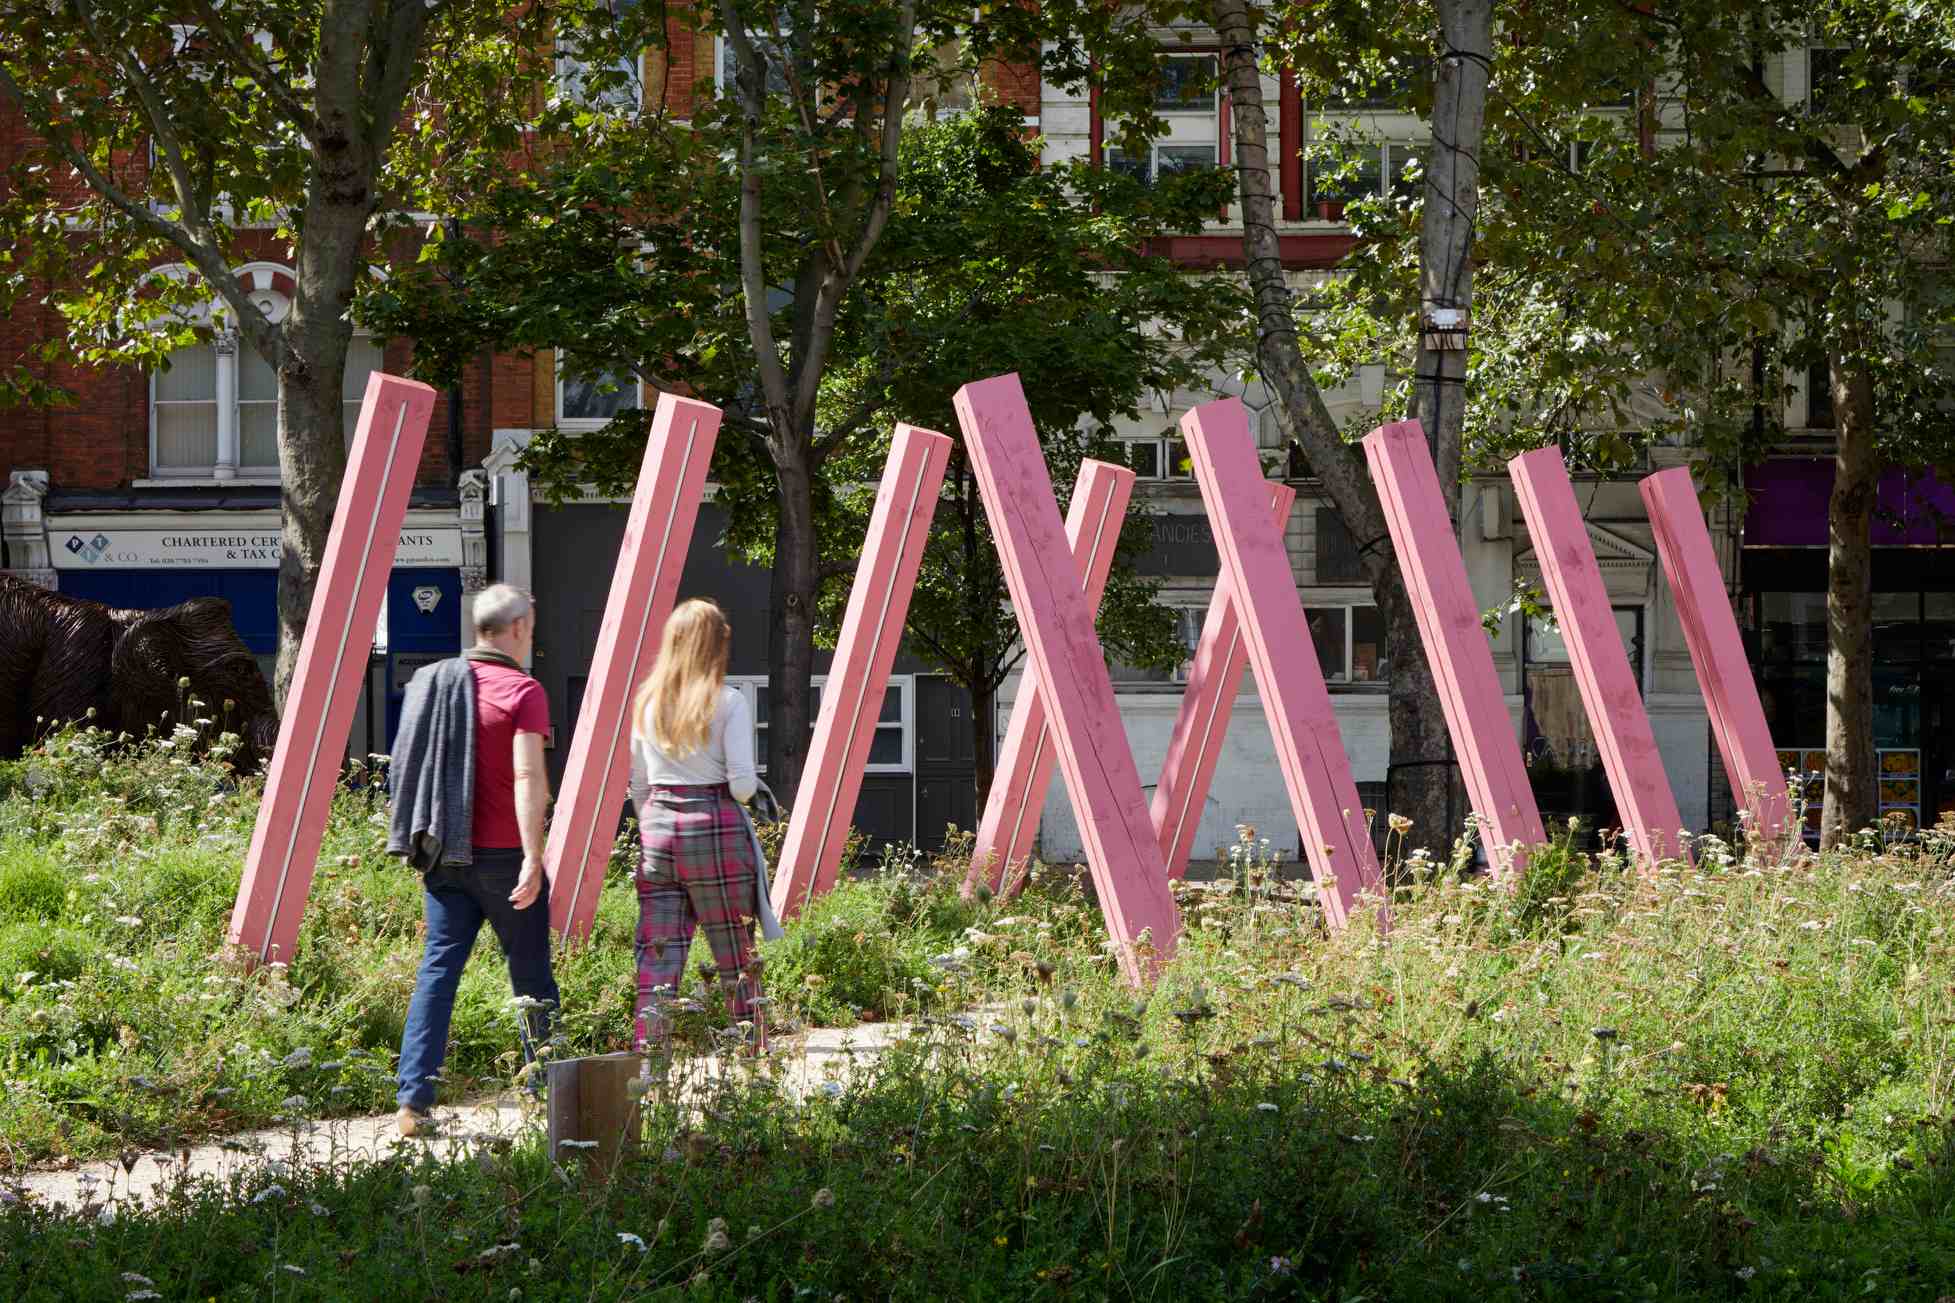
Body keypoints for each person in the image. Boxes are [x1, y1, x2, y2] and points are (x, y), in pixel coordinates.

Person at [386, 583, 559, 1136]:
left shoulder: (432, 684)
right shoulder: (522, 690)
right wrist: (535, 856)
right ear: (516, 629)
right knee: (530, 974)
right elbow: (529, 776)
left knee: (437, 972)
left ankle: (412, 1105)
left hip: (443, 853)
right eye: (529, 625)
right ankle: (543, 1094)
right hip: (505, 858)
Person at [626, 598, 768, 1051]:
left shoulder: (647, 701)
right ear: (715, 645)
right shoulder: (728, 701)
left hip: (658, 829)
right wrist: (759, 795)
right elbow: (742, 785)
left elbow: (639, 784)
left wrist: (656, 821)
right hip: (714, 827)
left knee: (659, 954)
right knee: (734, 953)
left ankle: (649, 1061)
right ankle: (750, 1053)